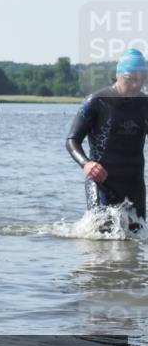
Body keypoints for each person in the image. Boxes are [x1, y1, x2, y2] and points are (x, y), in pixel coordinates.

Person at [66, 49, 148, 227]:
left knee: (137, 238)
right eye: (130, 79)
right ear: (118, 75)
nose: (136, 85)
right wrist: (86, 164)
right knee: (101, 235)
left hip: (134, 184)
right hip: (102, 183)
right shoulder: (96, 102)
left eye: (141, 79)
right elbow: (72, 140)